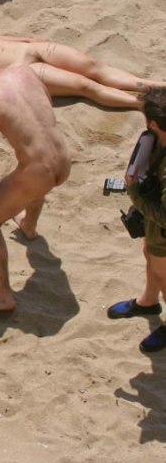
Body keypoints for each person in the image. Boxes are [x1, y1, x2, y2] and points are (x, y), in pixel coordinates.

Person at [0, 32, 70, 314]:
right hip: (63, 160)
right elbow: (45, 109)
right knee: (24, 174)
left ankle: (3, 295)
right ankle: (29, 225)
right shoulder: (25, 72)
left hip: (39, 173)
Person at [0, 27, 161, 110]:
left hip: (30, 50)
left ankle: (154, 85)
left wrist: (26, 40)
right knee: (85, 87)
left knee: (95, 67)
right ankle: (142, 103)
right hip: (22, 71)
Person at [106, 87, 166, 353]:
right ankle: (148, 301)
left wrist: (134, 193)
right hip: (156, 232)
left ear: (153, 123)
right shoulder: (158, 142)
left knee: (163, 274)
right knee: (150, 258)